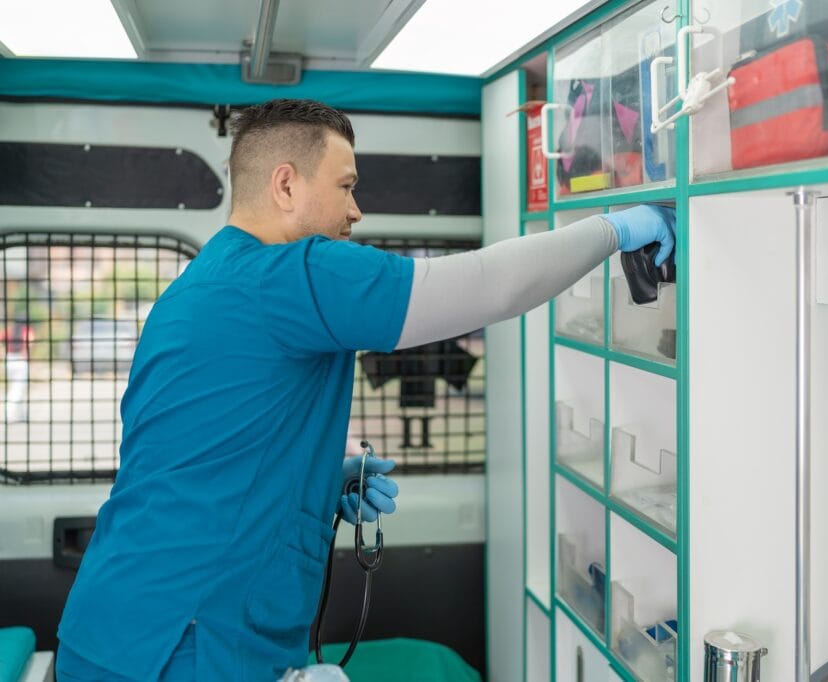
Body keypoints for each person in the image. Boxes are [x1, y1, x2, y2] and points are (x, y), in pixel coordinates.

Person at [55, 98, 675, 681]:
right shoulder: (290, 275)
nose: (356, 211)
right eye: (346, 186)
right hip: (182, 645)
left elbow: (207, 452)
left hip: (117, 627)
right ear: (286, 184)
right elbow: (486, 287)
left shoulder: (202, 285)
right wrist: (614, 230)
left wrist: (319, 479)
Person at [3, 317, 33, 422]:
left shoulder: (10, 330)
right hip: (20, 360)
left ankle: (22, 416)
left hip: (9, 360)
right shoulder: (26, 330)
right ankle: (9, 414)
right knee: (17, 389)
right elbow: (29, 342)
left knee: (19, 388)